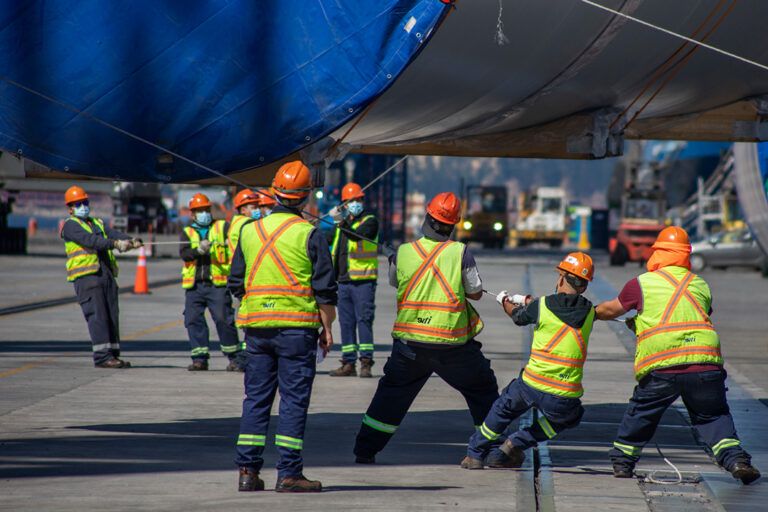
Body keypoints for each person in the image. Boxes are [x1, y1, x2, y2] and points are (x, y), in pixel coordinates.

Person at [595, 226, 761, 485]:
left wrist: (588, 313)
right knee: (714, 415)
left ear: (658, 252)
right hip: (704, 363)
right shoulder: (700, 283)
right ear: (686, 254)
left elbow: (610, 309)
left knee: (642, 412)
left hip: (663, 364)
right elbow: (694, 315)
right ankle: (736, 460)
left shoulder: (642, 283)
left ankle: (623, 463)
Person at [353, 192, 499, 464]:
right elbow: (476, 292)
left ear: (427, 219)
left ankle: (365, 449)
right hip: (453, 347)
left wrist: (395, 259)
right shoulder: (459, 252)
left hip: (410, 346)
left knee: (391, 395)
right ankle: (491, 448)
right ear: (452, 225)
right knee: (482, 389)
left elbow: (396, 283)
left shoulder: (404, 252)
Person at [229, 161, 337, 493]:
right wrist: (328, 327)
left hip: (257, 330)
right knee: (292, 401)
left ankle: (247, 471)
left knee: (256, 399)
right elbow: (325, 290)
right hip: (296, 332)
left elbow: (235, 283)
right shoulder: (310, 234)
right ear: (305, 197)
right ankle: (289, 473)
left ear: (274, 192)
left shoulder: (249, 230)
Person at [462, 253, 595, 469]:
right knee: (571, 416)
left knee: (502, 410)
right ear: (584, 287)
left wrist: (505, 301)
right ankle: (514, 444)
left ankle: (475, 455)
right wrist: (527, 300)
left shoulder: (542, 306)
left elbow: (518, 316)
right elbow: (563, 308)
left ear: (561, 278)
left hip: (530, 385)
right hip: (562, 395)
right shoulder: (590, 312)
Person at [60, 185, 141, 368]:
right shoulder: (71, 226)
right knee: (98, 316)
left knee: (112, 315)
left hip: (105, 275)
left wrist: (130, 240)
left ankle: (113, 354)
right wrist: (116, 244)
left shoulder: (96, 223)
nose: (83, 206)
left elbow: (112, 234)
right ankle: (102, 357)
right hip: (87, 278)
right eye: (78, 204)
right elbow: (92, 241)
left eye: (85, 202)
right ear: (70, 208)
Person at [180, 193, 244, 372]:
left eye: (206, 210)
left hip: (218, 284)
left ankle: (234, 358)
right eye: (199, 211)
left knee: (224, 320)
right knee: (192, 319)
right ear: (193, 214)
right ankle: (199, 358)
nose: (204, 214)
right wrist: (198, 250)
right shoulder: (187, 231)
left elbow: (235, 240)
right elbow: (184, 253)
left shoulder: (222, 227)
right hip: (194, 286)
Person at [328, 182, 379, 378]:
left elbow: (358, 237)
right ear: (344, 204)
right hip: (343, 281)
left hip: (363, 281)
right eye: (352, 201)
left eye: (358, 200)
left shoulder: (370, 221)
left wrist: (341, 222)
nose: (356, 203)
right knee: (346, 323)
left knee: (364, 320)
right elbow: (331, 244)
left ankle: (365, 362)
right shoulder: (341, 225)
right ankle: (348, 363)